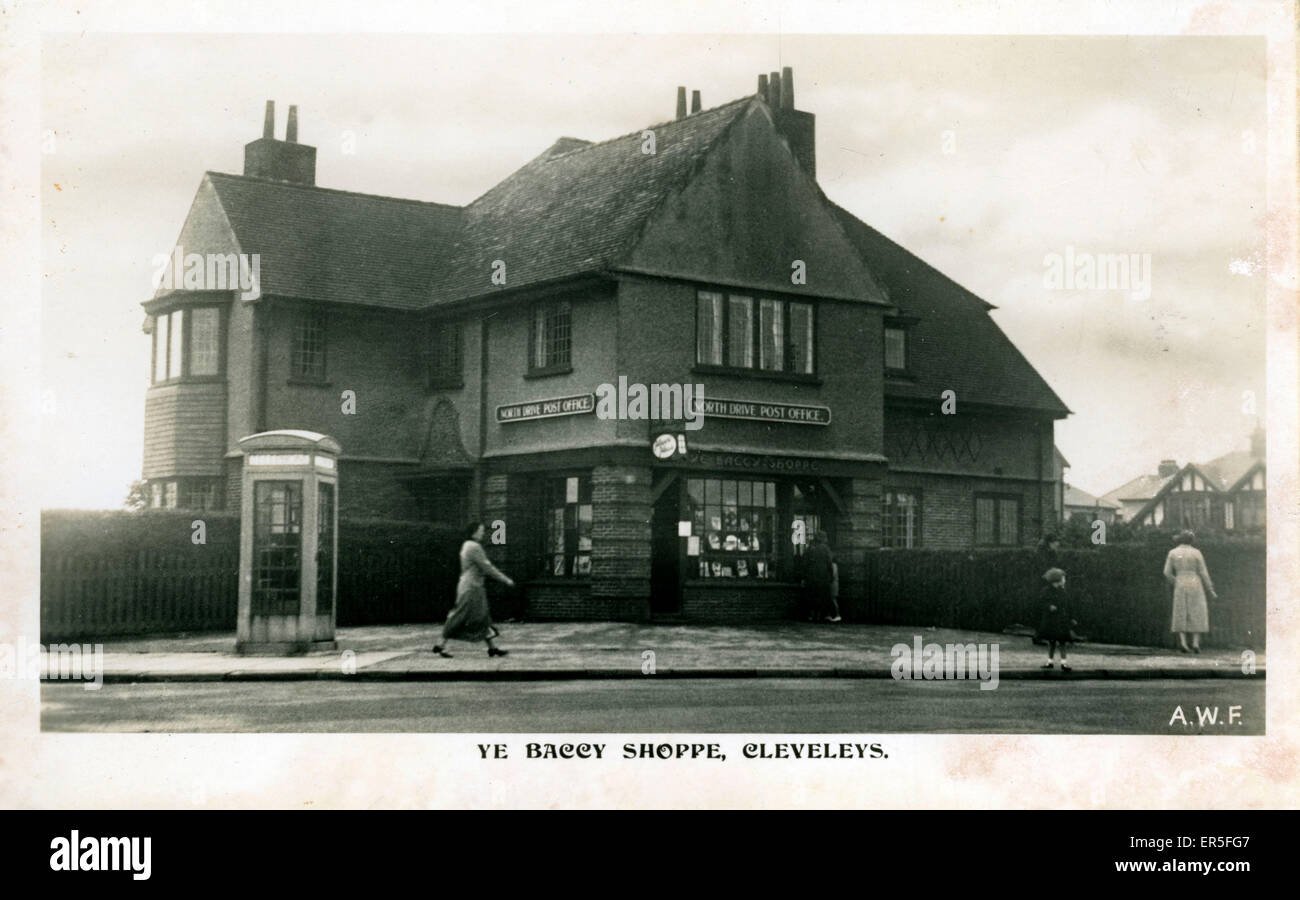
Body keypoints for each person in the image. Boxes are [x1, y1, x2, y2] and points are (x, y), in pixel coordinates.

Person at [432, 522, 515, 658]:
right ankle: (440, 644)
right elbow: (487, 567)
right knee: (460, 615)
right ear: (474, 532)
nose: (483, 533)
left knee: (483, 617)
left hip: (472, 586)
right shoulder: (474, 547)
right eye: (481, 531)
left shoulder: (467, 545)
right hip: (472, 587)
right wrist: (505, 580)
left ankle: (492, 648)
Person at [1164, 530, 1215, 654]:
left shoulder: (1173, 552)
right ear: (1192, 540)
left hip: (1180, 582)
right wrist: (1210, 589)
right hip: (1195, 582)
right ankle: (1195, 643)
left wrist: (1176, 581)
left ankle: (1183, 643)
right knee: (1197, 611)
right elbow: (1203, 572)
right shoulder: (1196, 552)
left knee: (1181, 610)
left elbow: (1166, 572)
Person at [1036, 567, 1074, 671]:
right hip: (1051, 620)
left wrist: (1071, 618)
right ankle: (1050, 661)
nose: (1064, 580)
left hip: (1061, 620)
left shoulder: (1063, 592)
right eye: (1063, 578)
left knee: (1062, 642)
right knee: (1052, 641)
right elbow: (1041, 602)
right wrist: (1049, 606)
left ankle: (1063, 663)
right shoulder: (1047, 591)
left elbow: (1068, 606)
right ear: (1057, 580)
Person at [802, 530, 839, 623]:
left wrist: (804, 577)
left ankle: (813, 616)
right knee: (823, 598)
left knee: (812, 597)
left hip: (811, 578)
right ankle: (822, 616)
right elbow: (829, 564)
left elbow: (804, 564)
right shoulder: (825, 549)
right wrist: (830, 577)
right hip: (823, 578)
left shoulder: (809, 549)